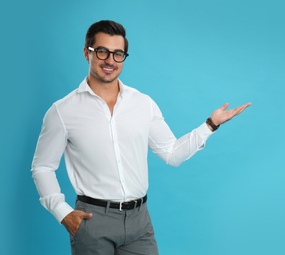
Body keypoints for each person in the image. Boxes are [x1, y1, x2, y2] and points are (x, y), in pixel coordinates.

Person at [31, 20, 251, 255]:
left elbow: (172, 153)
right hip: (93, 220)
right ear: (87, 52)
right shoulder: (63, 111)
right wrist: (62, 212)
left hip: (139, 222)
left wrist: (211, 125)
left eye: (118, 54)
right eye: (103, 51)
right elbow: (42, 167)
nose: (110, 61)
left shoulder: (143, 104)